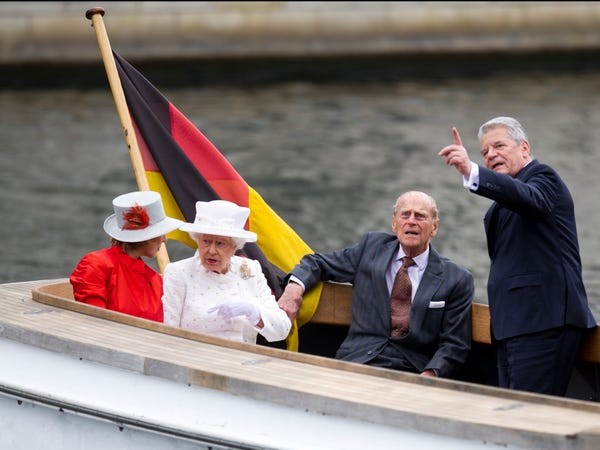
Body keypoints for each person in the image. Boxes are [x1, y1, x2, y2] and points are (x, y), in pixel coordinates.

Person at [438, 116, 597, 395]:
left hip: (544, 322)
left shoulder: (544, 178)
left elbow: (528, 199)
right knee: (511, 410)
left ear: (524, 148)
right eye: (485, 152)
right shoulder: (500, 205)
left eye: (499, 146)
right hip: (512, 326)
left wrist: (471, 171)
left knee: (530, 413)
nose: (491, 155)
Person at [278, 191, 474, 378]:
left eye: (420, 216)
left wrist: (430, 375)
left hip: (412, 371)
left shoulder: (456, 278)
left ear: (434, 227)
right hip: (356, 361)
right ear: (394, 224)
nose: (411, 221)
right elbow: (318, 263)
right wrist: (294, 289)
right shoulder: (370, 248)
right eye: (405, 215)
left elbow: (454, 344)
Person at [162, 199, 291, 344]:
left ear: (235, 246)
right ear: (197, 239)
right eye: (206, 241)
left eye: (220, 243)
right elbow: (168, 334)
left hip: (244, 361)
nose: (211, 250)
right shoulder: (179, 272)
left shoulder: (250, 269)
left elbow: (282, 330)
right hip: (197, 361)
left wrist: (254, 312)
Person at [70, 190, 183, 322]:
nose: (165, 239)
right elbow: (93, 322)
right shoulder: (96, 264)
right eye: (161, 233)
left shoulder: (156, 281)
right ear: (146, 237)